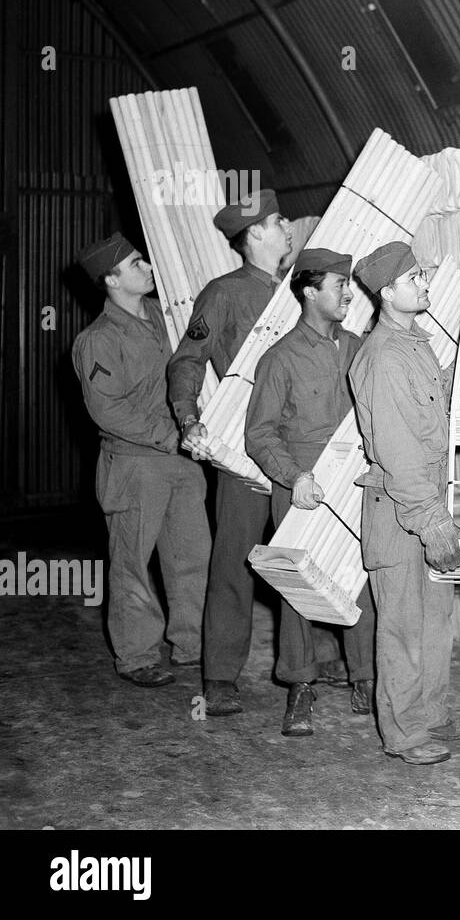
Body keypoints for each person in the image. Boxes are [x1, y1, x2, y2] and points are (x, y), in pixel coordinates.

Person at [168, 190, 349, 717]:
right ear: (253, 235)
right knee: (234, 563)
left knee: (305, 558)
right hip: (248, 454)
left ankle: (315, 659)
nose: (288, 228)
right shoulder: (223, 293)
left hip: (302, 457)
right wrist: (189, 417)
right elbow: (187, 359)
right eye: (278, 221)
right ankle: (221, 676)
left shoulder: (301, 291)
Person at [348, 242, 460, 766]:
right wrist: (433, 523)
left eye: (423, 274)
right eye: (415, 277)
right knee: (401, 626)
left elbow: (421, 413)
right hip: (401, 509)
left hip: (425, 499)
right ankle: (402, 733)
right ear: (387, 292)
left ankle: (429, 711)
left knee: (434, 620)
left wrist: (451, 383)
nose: (424, 284)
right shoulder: (381, 357)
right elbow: (398, 451)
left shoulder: (414, 343)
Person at [244, 248, 377, 737]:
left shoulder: (361, 347)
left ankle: (365, 678)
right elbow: (259, 434)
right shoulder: (279, 358)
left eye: (348, 283)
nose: (347, 292)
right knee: (298, 590)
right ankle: (300, 687)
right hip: (300, 485)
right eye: (338, 284)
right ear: (308, 291)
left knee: (362, 580)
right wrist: (294, 475)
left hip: (355, 483)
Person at [72, 234, 211, 687]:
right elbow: (107, 408)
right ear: (111, 279)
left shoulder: (166, 319)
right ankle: (136, 655)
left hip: (182, 461)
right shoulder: (97, 340)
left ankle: (192, 644)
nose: (148, 266)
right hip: (134, 465)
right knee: (132, 563)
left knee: (192, 556)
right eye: (136, 264)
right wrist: (170, 436)